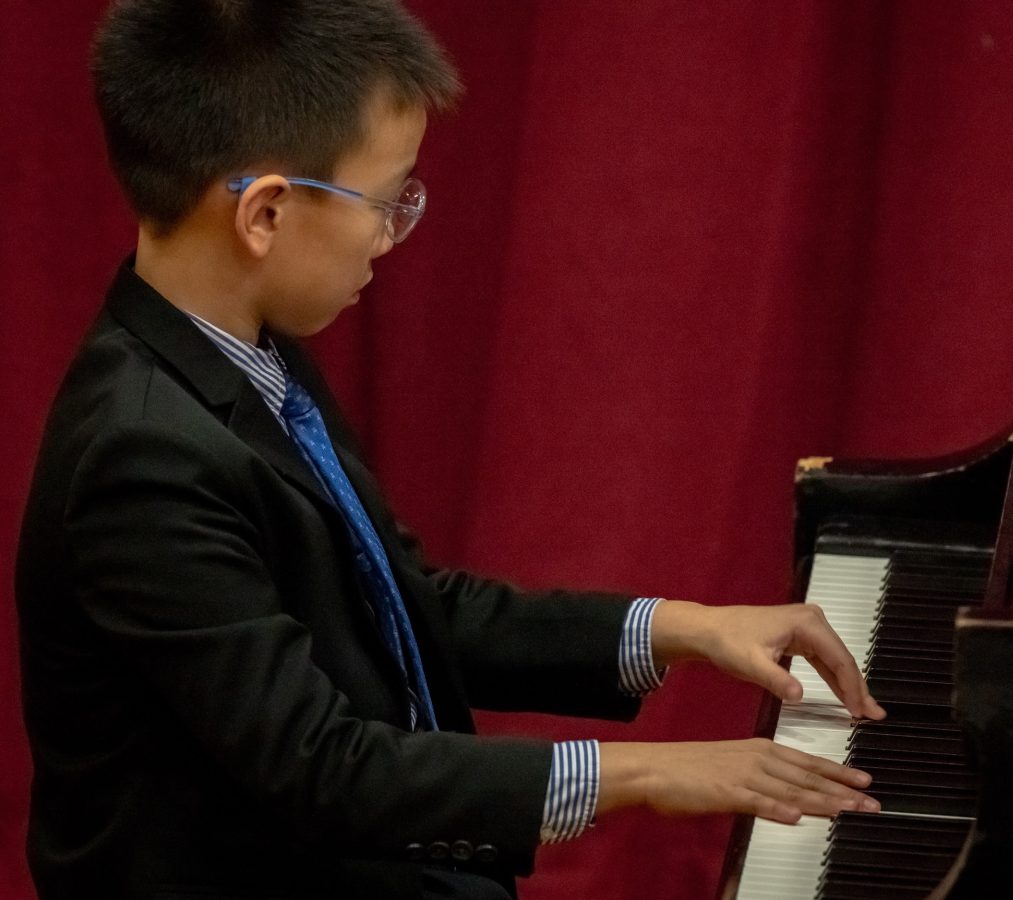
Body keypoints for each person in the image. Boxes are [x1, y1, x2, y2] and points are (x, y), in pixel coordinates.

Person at [15, 1, 886, 897]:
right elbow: (323, 767)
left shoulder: (251, 353)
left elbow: (401, 605)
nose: (390, 235)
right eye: (386, 202)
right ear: (266, 213)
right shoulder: (142, 457)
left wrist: (683, 628)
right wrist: (654, 772)